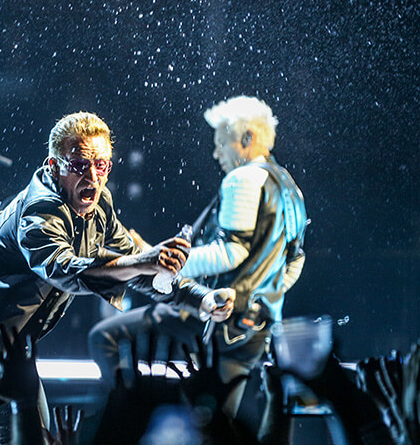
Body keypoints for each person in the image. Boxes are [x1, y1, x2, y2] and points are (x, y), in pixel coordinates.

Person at [0, 111, 233, 445]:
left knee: (30, 441)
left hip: (5, 339)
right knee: (23, 444)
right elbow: (67, 271)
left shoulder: (99, 206)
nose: (94, 177)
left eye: (102, 165)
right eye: (80, 165)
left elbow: (133, 269)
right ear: (54, 166)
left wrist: (200, 298)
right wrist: (143, 259)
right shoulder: (38, 212)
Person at [89, 96, 306, 415]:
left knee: (105, 338)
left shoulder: (243, 179)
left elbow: (231, 252)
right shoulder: (290, 188)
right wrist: (262, 298)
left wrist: (158, 260)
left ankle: (129, 423)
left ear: (247, 139)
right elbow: (294, 262)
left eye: (221, 143)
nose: (216, 153)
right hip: (255, 328)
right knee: (218, 428)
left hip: (220, 317)